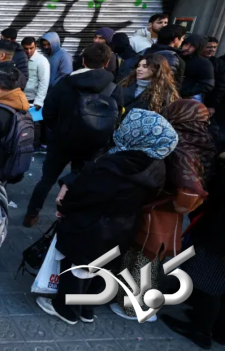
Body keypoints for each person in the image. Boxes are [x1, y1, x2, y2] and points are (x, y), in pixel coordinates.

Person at [37, 109, 176, 325]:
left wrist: (65, 206)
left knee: (77, 264)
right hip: (123, 225)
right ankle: (87, 310)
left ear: (137, 133)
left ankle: (66, 310)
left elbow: (88, 194)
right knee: (102, 267)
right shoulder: (156, 164)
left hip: (92, 223)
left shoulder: (117, 164)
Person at [111, 100, 215, 322]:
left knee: (144, 252)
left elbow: (190, 190)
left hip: (159, 209)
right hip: (167, 211)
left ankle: (135, 307)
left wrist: (171, 202)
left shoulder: (180, 144)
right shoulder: (201, 139)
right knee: (150, 254)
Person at [24, 43, 123, 227]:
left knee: (47, 179)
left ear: (83, 60)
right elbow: (116, 119)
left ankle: (31, 215)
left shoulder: (65, 83)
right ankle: (68, 217)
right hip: (93, 145)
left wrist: (58, 130)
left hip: (62, 141)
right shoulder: (113, 88)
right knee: (79, 179)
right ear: (106, 62)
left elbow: (48, 112)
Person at [161, 168, 225, 349]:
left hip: (219, 236)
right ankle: (219, 330)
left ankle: (201, 331)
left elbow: (216, 189)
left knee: (209, 283)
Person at [180, 33, 215, 102]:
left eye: (192, 46)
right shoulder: (177, 56)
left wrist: (184, 92)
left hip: (188, 99)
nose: (187, 48)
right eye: (186, 44)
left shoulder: (204, 63)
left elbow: (208, 85)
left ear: (198, 48)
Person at [22, 37, 50, 109]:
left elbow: (44, 82)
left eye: (31, 48)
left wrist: (39, 101)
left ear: (35, 47)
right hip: (20, 98)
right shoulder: (20, 59)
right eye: (26, 49)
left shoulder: (41, 60)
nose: (29, 51)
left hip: (33, 100)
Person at [204, 37, 225, 113]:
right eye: (209, 47)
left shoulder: (219, 63)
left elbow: (221, 86)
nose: (212, 50)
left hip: (209, 102)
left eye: (214, 47)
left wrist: (211, 105)